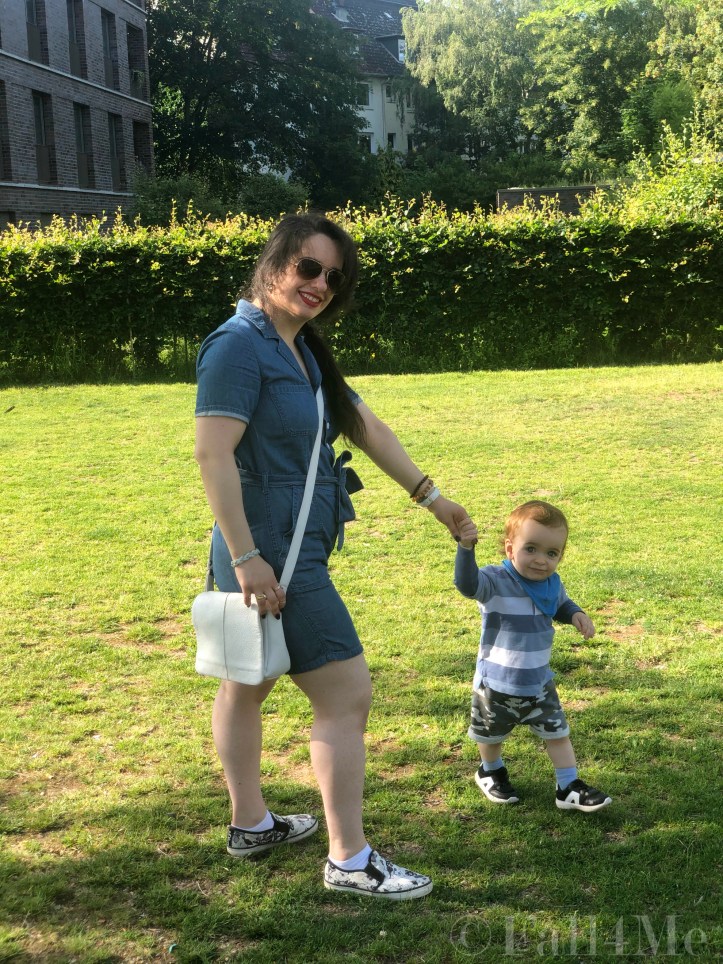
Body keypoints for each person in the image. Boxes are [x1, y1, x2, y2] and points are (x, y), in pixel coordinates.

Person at [194, 211, 471, 899]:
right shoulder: (236, 345)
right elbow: (213, 454)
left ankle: (251, 825)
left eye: (334, 276)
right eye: (309, 267)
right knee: (346, 693)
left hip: (290, 544)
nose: (320, 284)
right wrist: (247, 557)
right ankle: (349, 859)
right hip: (267, 551)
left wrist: (432, 498)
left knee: (248, 682)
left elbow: (365, 427)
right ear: (274, 263)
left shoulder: (303, 348)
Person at [454, 500, 612, 812]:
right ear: (510, 548)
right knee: (490, 735)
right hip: (496, 683)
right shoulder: (495, 581)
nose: (541, 560)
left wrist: (575, 614)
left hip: (539, 683)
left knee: (558, 733)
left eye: (552, 553)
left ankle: (568, 786)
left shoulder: (552, 584)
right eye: (531, 549)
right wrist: (466, 549)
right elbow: (466, 584)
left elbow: (559, 604)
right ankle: (491, 771)